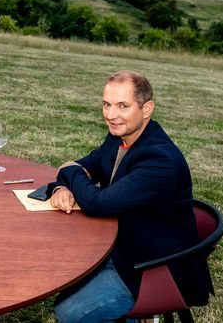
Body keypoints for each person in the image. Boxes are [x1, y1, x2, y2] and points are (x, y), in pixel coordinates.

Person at [49, 70, 212, 323]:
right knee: (60, 280)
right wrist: (63, 187)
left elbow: (95, 202)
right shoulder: (119, 136)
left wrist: (69, 171)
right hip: (122, 245)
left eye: (122, 106)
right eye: (106, 104)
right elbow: (86, 166)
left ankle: (143, 315)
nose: (110, 115)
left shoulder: (160, 160)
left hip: (154, 268)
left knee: (70, 311)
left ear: (146, 109)